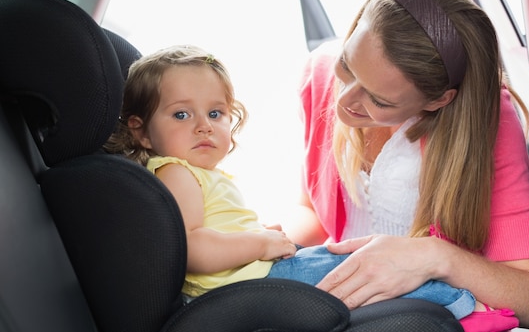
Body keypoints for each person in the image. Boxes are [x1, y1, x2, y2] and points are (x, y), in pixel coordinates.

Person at [104, 44, 477, 321]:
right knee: (362, 267)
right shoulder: (176, 173)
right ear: (142, 133)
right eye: (181, 114)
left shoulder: (196, 174)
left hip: (251, 273)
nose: (203, 125)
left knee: (345, 260)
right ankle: (464, 307)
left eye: (215, 113)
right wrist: (259, 243)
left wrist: (258, 237)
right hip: (247, 282)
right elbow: (193, 248)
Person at [286, 0, 529, 331]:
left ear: (437, 101)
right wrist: (266, 244)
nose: (344, 102)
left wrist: (433, 258)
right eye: (348, 66)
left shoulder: (488, 121)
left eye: (379, 100)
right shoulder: (319, 72)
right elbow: (313, 213)